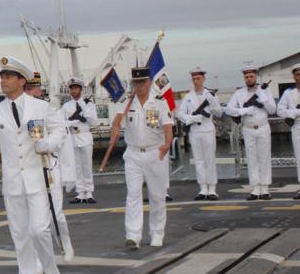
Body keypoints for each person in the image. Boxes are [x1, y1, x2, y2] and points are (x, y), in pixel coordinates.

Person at [0, 57, 66, 274]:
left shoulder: (40, 107)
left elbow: (59, 130)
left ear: (21, 80)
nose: (3, 81)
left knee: (39, 230)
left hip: (37, 180)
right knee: (20, 237)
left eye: (7, 77)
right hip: (13, 184)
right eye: (1, 77)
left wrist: (48, 143)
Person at [109, 67, 174, 249]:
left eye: (141, 83)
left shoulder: (160, 102)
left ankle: (157, 233)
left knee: (157, 195)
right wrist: (115, 127)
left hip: (155, 152)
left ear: (149, 83)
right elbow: (118, 118)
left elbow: (168, 127)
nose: (138, 86)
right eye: (135, 83)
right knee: (133, 194)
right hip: (133, 154)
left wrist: (167, 144)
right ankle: (133, 235)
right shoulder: (128, 102)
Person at [24, 77, 75, 265]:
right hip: (29, 170)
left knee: (56, 214)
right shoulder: (18, 112)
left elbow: (62, 138)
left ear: (39, 90)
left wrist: (50, 144)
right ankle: (39, 260)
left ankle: (65, 241)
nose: (29, 93)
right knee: (35, 220)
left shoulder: (48, 110)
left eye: (32, 89)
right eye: (26, 89)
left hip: (50, 168)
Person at [225, 65, 277, 200]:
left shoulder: (265, 90)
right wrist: (243, 111)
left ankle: (265, 188)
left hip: (262, 127)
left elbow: (272, 110)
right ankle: (255, 187)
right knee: (252, 158)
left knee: (264, 158)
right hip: (248, 128)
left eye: (251, 76)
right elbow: (229, 109)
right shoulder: (239, 93)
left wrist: (263, 97)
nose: (249, 79)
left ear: (256, 76)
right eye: (247, 77)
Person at [176, 68, 223, 200]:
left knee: (210, 159)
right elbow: (180, 114)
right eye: (194, 79)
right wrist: (193, 119)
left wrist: (212, 102)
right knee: (199, 160)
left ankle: (212, 188)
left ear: (204, 79)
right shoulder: (189, 96)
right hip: (195, 130)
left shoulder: (211, 95)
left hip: (208, 129)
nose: (196, 81)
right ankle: (203, 188)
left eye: (198, 79)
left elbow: (218, 113)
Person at [61, 77, 99, 203]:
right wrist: (72, 122)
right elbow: (62, 122)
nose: (74, 90)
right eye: (72, 88)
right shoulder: (66, 106)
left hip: (85, 136)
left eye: (76, 88)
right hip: (73, 137)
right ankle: (80, 192)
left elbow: (94, 122)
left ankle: (89, 192)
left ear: (81, 90)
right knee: (76, 166)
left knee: (87, 165)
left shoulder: (89, 105)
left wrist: (85, 110)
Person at [277, 63, 300, 199]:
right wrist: (296, 112)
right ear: (293, 77)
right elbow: (280, 110)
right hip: (297, 126)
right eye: (297, 74)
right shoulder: (288, 92)